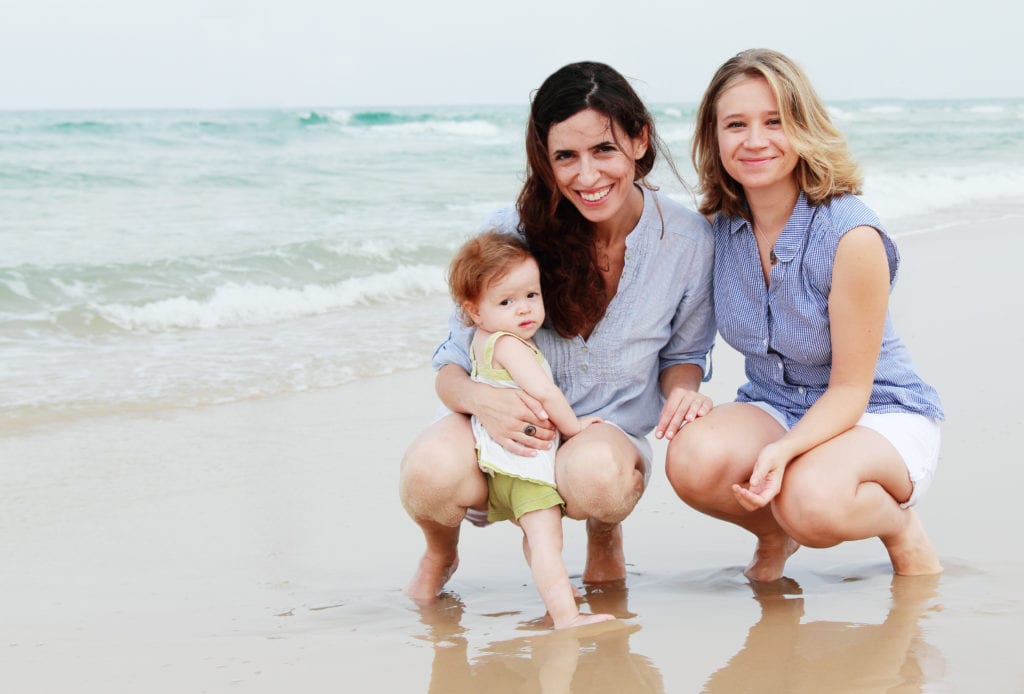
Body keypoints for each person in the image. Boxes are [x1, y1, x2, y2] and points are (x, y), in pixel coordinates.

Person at [400, 61, 716, 603]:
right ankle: (440, 549)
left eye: (603, 150)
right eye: (565, 156)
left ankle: (604, 531)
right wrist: (484, 401)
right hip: (497, 431)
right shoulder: (509, 232)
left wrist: (683, 391)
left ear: (640, 140)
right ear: (545, 161)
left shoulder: (687, 240)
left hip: (603, 433)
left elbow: (683, 354)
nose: (586, 177)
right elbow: (450, 368)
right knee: (427, 475)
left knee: (598, 479)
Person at [666, 48, 944, 582]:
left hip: (875, 411)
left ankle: (899, 528)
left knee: (811, 502)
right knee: (692, 458)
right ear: (713, 136)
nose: (754, 140)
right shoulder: (719, 230)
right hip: (776, 404)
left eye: (774, 121)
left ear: (803, 128)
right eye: (736, 124)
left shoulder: (851, 235)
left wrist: (784, 451)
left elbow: (850, 390)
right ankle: (776, 535)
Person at [446, 230, 613, 628]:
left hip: (501, 467)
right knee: (546, 542)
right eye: (506, 301)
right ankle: (566, 616)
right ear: (475, 312)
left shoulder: (484, 341)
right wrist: (574, 429)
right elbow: (547, 393)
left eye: (531, 296)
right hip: (524, 467)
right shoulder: (510, 345)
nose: (524, 309)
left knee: (537, 541)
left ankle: (558, 592)